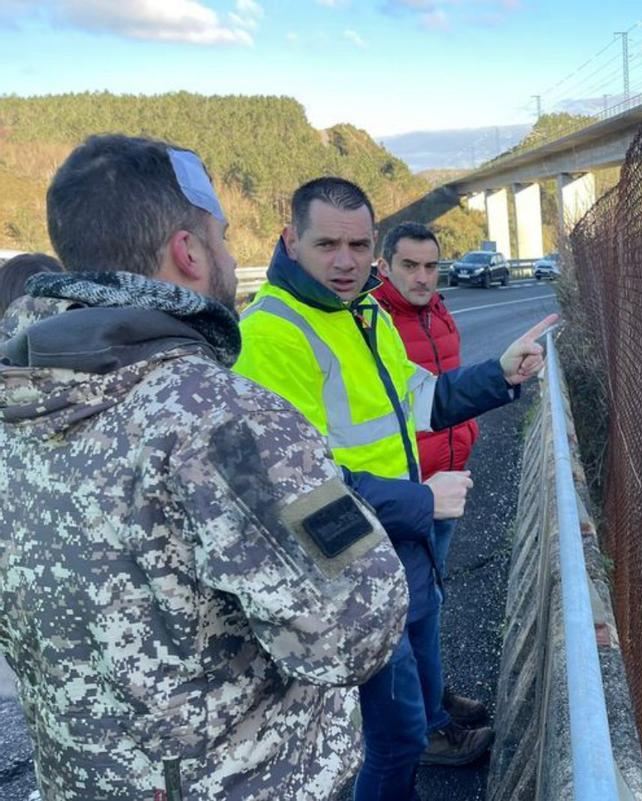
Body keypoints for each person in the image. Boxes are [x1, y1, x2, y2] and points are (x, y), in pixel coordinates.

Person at [0, 135, 409, 801]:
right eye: (219, 234)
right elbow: (355, 626)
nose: (226, 252)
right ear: (189, 252)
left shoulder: (16, 408)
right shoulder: (224, 419)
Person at [233, 177, 554, 801]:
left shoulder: (363, 310)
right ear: (289, 240)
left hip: (400, 544)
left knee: (403, 723)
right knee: (396, 736)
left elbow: (419, 397)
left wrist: (499, 374)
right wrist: (423, 502)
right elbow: (291, 490)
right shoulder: (272, 335)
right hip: (350, 563)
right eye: (327, 244)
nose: (346, 260)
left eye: (358, 243)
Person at [373, 222, 489, 756]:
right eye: (409, 266)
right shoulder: (372, 320)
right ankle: (427, 728)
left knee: (432, 602)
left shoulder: (439, 311)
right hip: (407, 494)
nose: (422, 277)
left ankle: (433, 696)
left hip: (447, 480)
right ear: (386, 265)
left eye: (430, 265)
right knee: (413, 610)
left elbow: (447, 389)